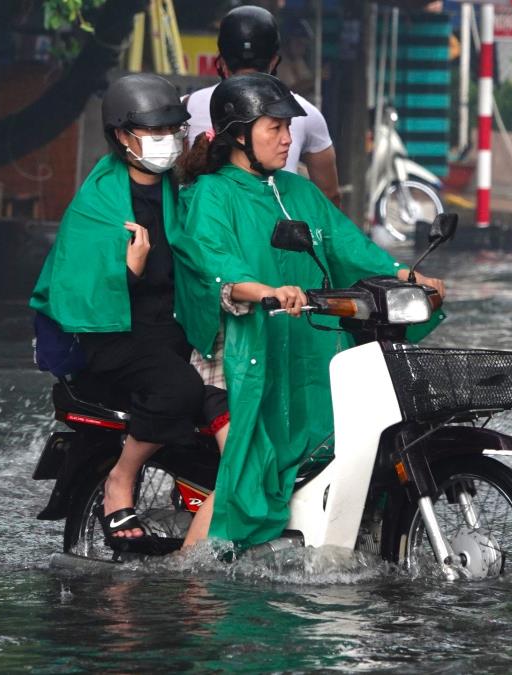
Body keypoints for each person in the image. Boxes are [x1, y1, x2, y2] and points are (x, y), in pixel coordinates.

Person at [169, 73, 445, 550]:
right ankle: (186, 585)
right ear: (238, 134)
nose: (287, 138)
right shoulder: (211, 194)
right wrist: (265, 291)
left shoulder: (297, 192)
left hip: (303, 341)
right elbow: (217, 264)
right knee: (248, 466)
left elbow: (349, 247)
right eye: (274, 128)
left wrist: (407, 277)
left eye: (288, 128)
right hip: (234, 351)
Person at [30, 73, 228, 553]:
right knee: (178, 388)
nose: (167, 143)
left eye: (173, 133)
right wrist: (128, 271)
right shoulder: (99, 202)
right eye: (155, 134)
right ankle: (122, 478)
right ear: (122, 136)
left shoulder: (177, 192)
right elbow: (75, 287)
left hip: (167, 334)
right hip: (110, 339)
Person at [184, 5, 341, 207]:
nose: (286, 139)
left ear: (222, 63)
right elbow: (329, 195)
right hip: (275, 230)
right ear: (274, 61)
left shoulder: (187, 106)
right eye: (276, 127)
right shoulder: (306, 113)